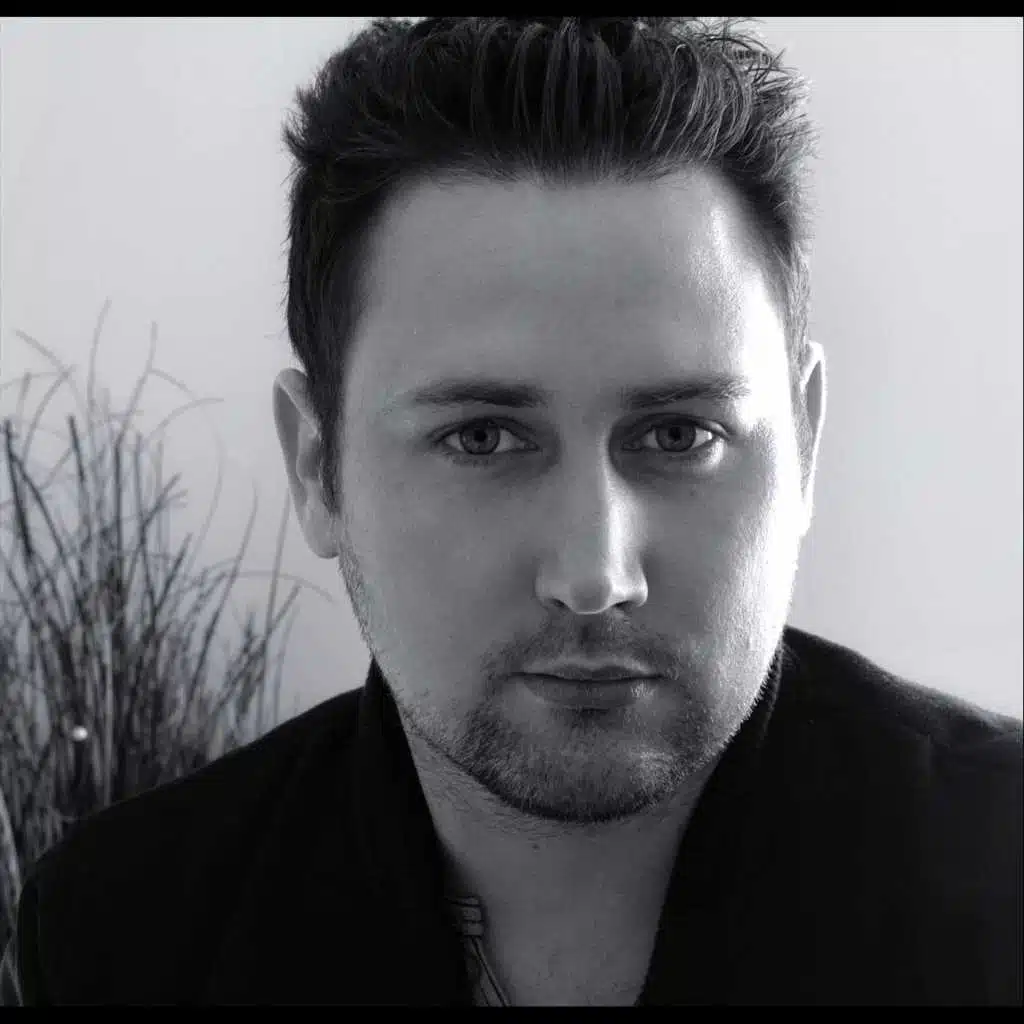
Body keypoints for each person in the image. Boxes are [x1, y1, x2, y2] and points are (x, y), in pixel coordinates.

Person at [1, 16, 1020, 1006]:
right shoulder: (121, 937)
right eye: (482, 438)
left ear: (805, 445)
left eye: (679, 435)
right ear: (317, 468)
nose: (594, 574)